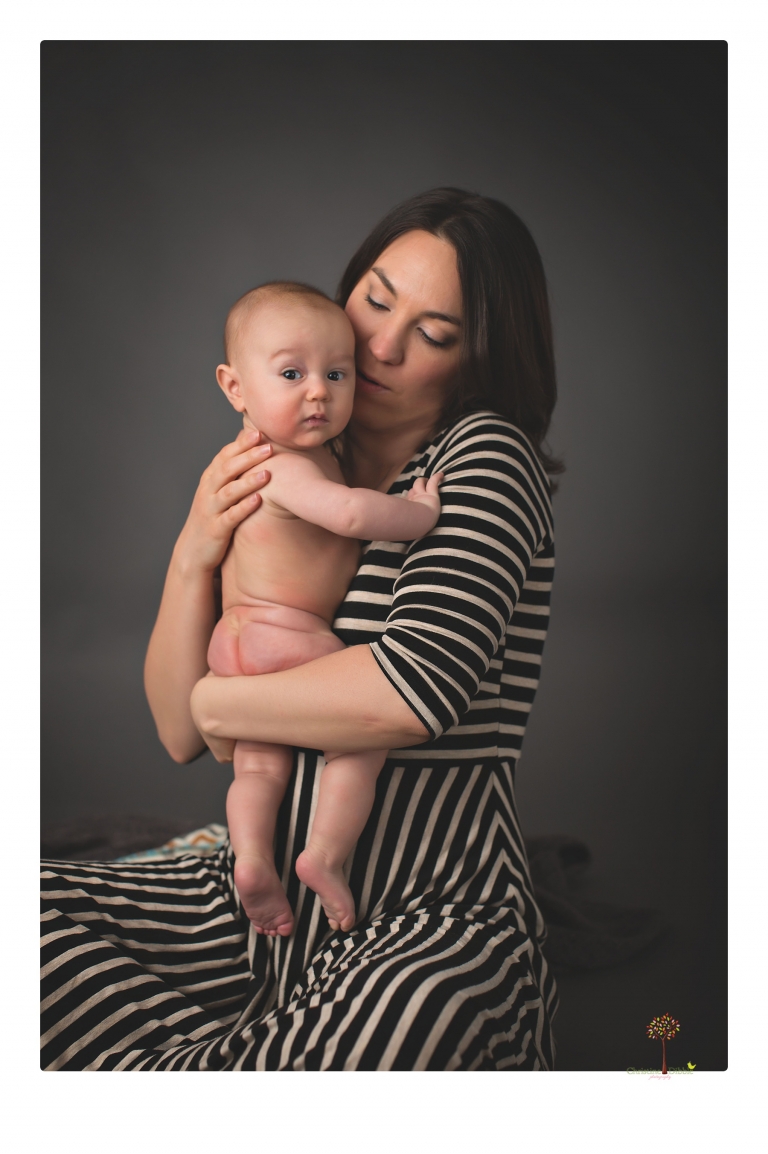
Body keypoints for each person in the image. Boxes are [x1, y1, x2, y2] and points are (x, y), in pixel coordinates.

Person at [41, 187, 560, 1071]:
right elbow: (177, 733)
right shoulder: (299, 448)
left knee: (407, 1031)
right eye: (376, 301)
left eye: (435, 333)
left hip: (423, 904)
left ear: (479, 355)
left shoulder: (483, 458)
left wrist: (220, 703)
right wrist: (194, 551)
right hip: (260, 906)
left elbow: (410, 692)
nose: (383, 346)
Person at [206, 280, 443, 936]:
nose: (319, 392)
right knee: (363, 740)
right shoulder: (284, 465)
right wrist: (418, 514)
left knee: (258, 766)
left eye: (337, 374)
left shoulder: (248, 458)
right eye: (292, 374)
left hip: (232, 640)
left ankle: (252, 859)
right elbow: (349, 514)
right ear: (235, 387)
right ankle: (325, 855)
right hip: (287, 633)